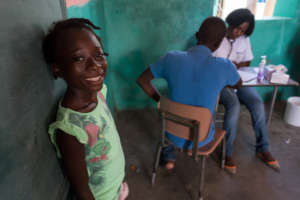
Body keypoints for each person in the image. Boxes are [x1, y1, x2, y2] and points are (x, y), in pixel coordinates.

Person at [137, 17, 242, 170]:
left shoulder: (171, 57)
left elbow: (142, 80)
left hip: (171, 132)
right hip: (202, 139)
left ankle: (169, 154)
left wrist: (160, 101)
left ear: (197, 35)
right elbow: (238, 84)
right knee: (228, 108)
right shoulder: (224, 66)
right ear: (219, 43)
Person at [43, 18, 129, 200]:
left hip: (116, 186)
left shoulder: (100, 93)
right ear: (58, 69)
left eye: (98, 56)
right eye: (79, 58)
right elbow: (82, 191)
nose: (95, 66)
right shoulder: (69, 129)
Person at [213, 8, 280, 174]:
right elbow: (208, 63)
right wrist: (227, 67)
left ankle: (262, 148)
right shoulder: (216, 34)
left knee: (257, 103)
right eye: (237, 28)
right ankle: (227, 153)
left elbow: (247, 61)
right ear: (231, 22)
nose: (238, 33)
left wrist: (235, 66)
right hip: (219, 83)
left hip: (237, 80)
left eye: (242, 30)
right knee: (234, 106)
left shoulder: (243, 39)